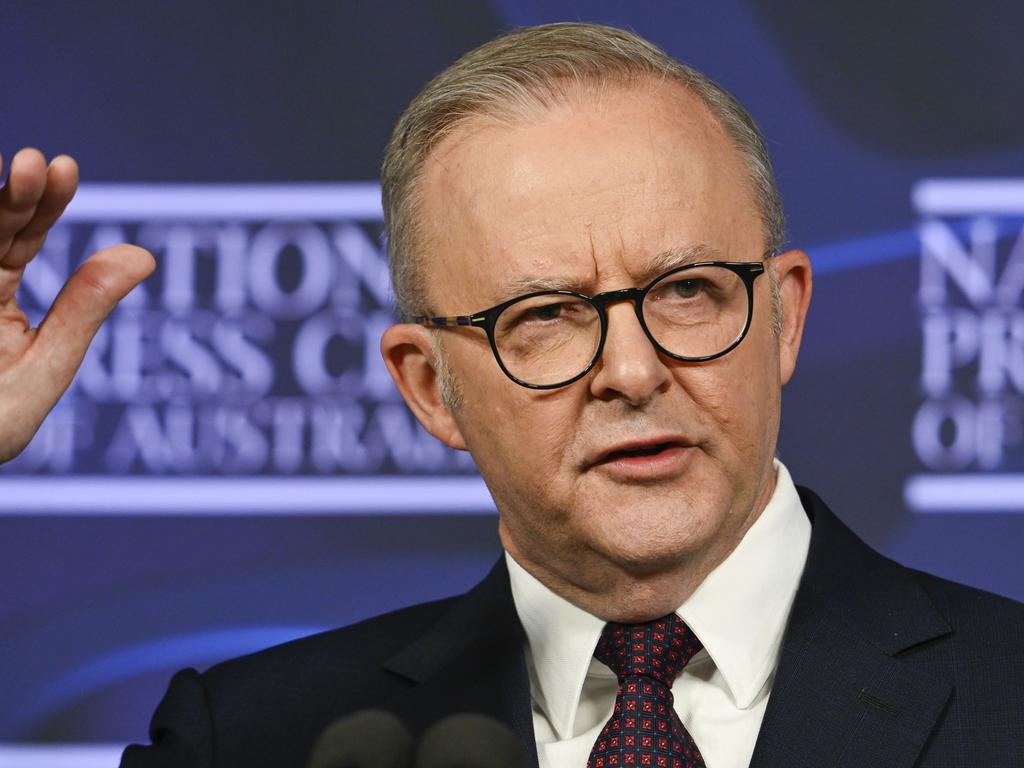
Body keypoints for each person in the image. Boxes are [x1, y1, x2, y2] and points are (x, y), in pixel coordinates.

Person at [3, 22, 1022, 768]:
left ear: (785, 317)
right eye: (543, 316)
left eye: (686, 291)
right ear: (428, 387)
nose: (631, 371)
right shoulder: (259, 741)